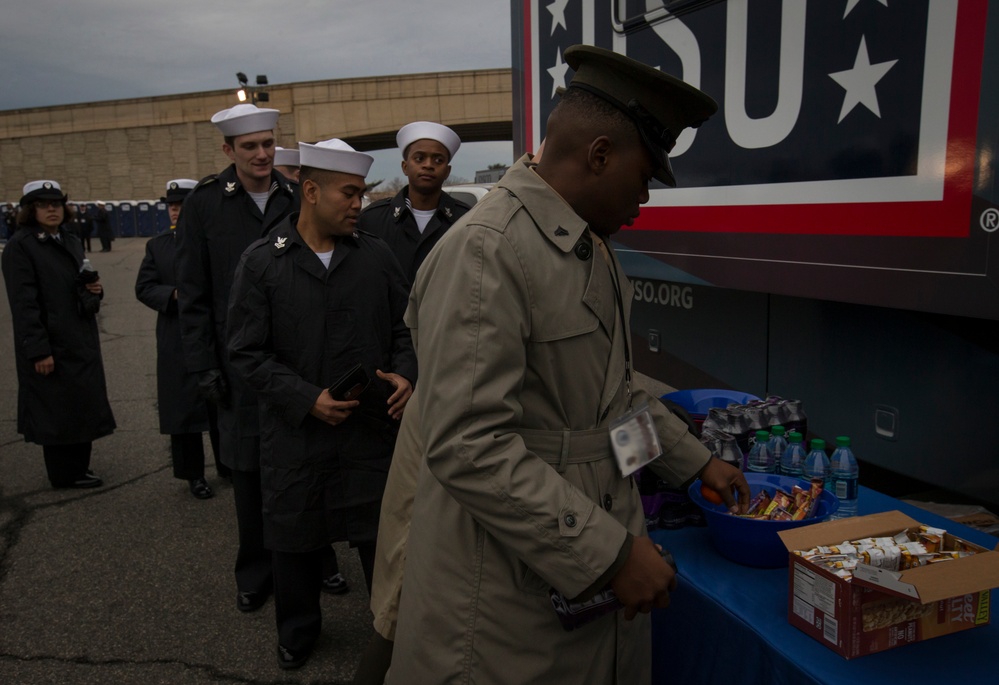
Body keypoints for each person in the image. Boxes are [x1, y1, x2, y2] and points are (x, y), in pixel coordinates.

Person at [383, 45, 750, 684]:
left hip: (579, 565)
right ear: (599, 155)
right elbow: (468, 446)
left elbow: (607, 407)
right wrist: (607, 556)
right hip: (506, 601)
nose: (644, 198)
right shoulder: (485, 253)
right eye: (643, 177)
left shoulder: (588, 246)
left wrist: (693, 466)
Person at [227, 138, 416, 670]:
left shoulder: (374, 257)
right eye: (349, 194)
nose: (360, 203)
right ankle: (297, 631)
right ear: (310, 191)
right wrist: (307, 399)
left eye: (361, 193)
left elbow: (408, 327)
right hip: (298, 436)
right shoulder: (264, 263)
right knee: (295, 541)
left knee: (382, 538)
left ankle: (394, 628)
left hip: (370, 431)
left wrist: (407, 373)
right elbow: (244, 353)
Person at [175, 103, 298, 614]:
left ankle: (315, 564)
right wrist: (203, 365)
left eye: (268, 144)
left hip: (294, 357)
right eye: (250, 146)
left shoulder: (295, 197)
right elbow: (194, 292)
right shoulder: (206, 205)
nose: (262, 154)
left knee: (301, 467)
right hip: (237, 365)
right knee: (247, 476)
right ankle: (255, 571)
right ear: (229, 151)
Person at [2, 180, 116, 489]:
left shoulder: (69, 239)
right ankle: (65, 474)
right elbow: (24, 305)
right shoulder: (22, 246)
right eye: (43, 204)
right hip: (51, 342)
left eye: (56, 203)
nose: (52, 209)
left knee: (80, 405)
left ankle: (78, 466)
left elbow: (79, 285)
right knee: (57, 411)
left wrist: (94, 290)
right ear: (30, 210)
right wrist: (39, 351)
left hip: (78, 337)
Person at [135, 179, 229, 500]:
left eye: (182, 204)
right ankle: (193, 475)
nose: (175, 209)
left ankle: (227, 464)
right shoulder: (158, 245)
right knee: (183, 411)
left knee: (220, 403)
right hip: (176, 338)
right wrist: (172, 294)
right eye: (172, 205)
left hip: (213, 334)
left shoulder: (215, 238)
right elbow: (144, 287)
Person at [357, 121, 471, 282]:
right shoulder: (372, 220)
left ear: (447, 171)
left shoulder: (467, 221)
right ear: (405, 167)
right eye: (419, 158)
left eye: (438, 160)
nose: (428, 165)